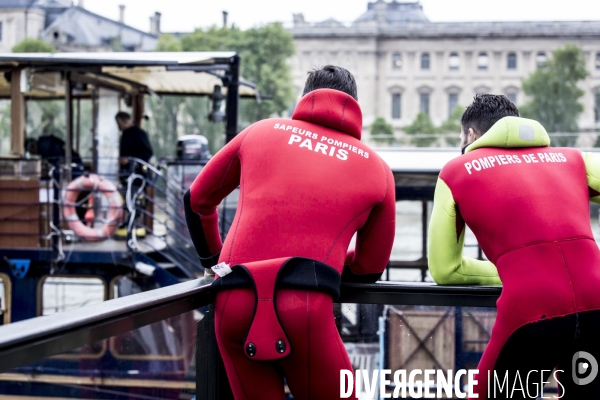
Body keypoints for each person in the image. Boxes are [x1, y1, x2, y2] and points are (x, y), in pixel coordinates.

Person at [184, 65, 396, 400]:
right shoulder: (377, 168)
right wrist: (334, 262)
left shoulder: (260, 132)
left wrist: (216, 263)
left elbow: (197, 201)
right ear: (354, 105)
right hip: (306, 306)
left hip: (233, 297)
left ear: (306, 98)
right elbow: (370, 266)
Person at [428, 94, 600, 399]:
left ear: (470, 135)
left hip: (531, 312)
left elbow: (446, 270)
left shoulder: (456, 171)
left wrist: (512, 272)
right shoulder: (575, 159)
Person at [115, 111, 153, 239]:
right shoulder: (125, 134)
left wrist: (130, 160)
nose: (118, 126)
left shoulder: (139, 134)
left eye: (119, 123)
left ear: (125, 121)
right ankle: (129, 225)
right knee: (127, 200)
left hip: (136, 176)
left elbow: (147, 153)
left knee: (135, 201)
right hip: (126, 175)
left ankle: (133, 225)